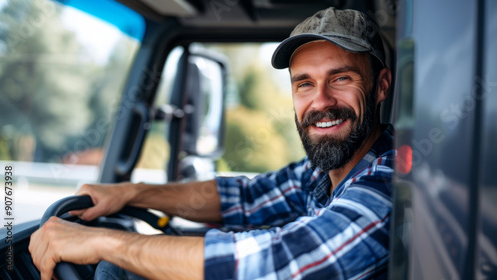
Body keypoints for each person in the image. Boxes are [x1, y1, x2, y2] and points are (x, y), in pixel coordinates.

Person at [29, 6, 394, 280]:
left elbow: (285, 260)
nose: (321, 102)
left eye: (341, 78)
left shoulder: (390, 181)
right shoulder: (323, 171)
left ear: (381, 86)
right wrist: (129, 194)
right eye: (304, 84)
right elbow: (246, 198)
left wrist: (103, 243)